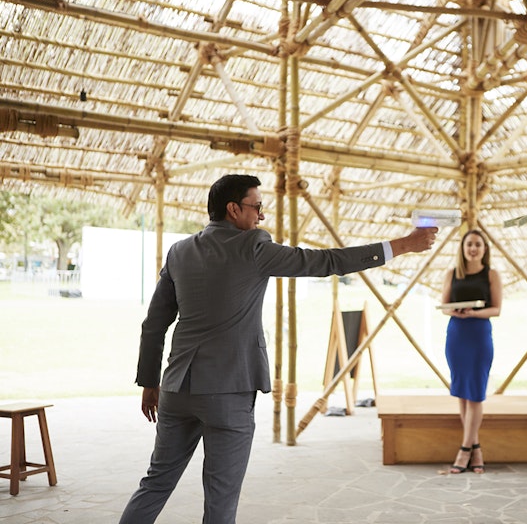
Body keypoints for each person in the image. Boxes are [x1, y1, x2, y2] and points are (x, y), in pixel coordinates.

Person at [119, 174, 438, 524]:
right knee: (221, 498)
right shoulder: (253, 247)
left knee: (156, 482)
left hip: (176, 389)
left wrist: (150, 382)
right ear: (233, 209)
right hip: (229, 391)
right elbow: (326, 261)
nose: (261, 216)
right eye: (257, 207)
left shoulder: (180, 252)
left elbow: (154, 324)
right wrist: (402, 245)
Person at [440, 229, 502, 474]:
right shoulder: (452, 274)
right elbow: (444, 305)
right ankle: (476, 449)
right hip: (456, 334)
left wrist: (475, 313)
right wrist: (454, 311)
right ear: (462, 248)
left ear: (484, 249)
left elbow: (497, 309)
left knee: (475, 393)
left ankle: (464, 450)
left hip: (479, 334)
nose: (473, 248)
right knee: (462, 393)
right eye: (469, 244)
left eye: (478, 244)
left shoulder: (492, 275)